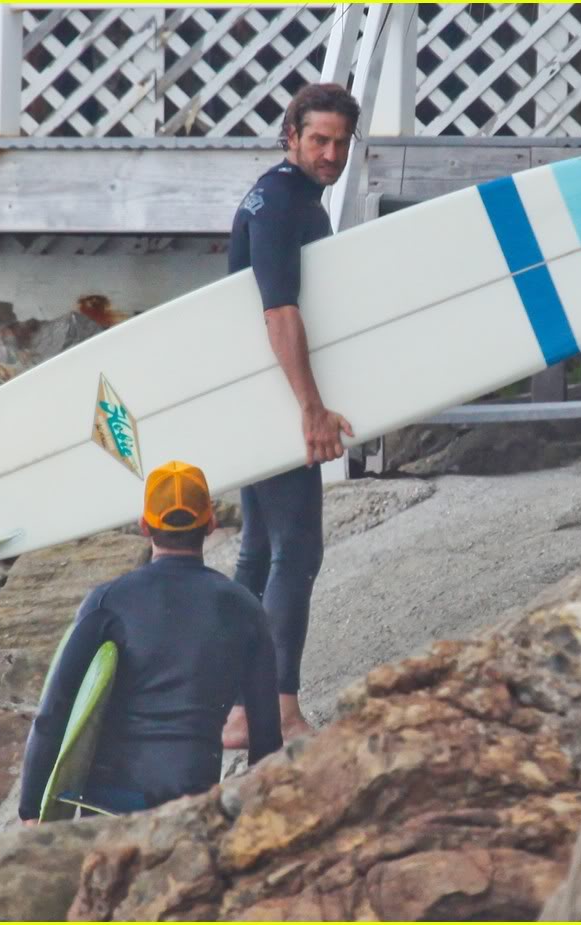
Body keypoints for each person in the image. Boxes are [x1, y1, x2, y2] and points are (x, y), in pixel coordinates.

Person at [18, 460, 282, 823]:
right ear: (210, 523)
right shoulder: (245, 609)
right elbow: (266, 732)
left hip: (107, 805)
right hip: (192, 800)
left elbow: (54, 710)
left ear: (144, 525)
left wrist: (31, 807)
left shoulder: (107, 602)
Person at [221, 83, 360, 748]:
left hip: (257, 393)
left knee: (257, 553)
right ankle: (274, 709)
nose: (330, 153)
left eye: (339, 142)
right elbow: (278, 311)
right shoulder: (281, 206)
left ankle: (235, 708)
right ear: (291, 137)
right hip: (280, 395)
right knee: (295, 552)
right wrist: (311, 409)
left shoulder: (282, 194)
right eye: (318, 140)